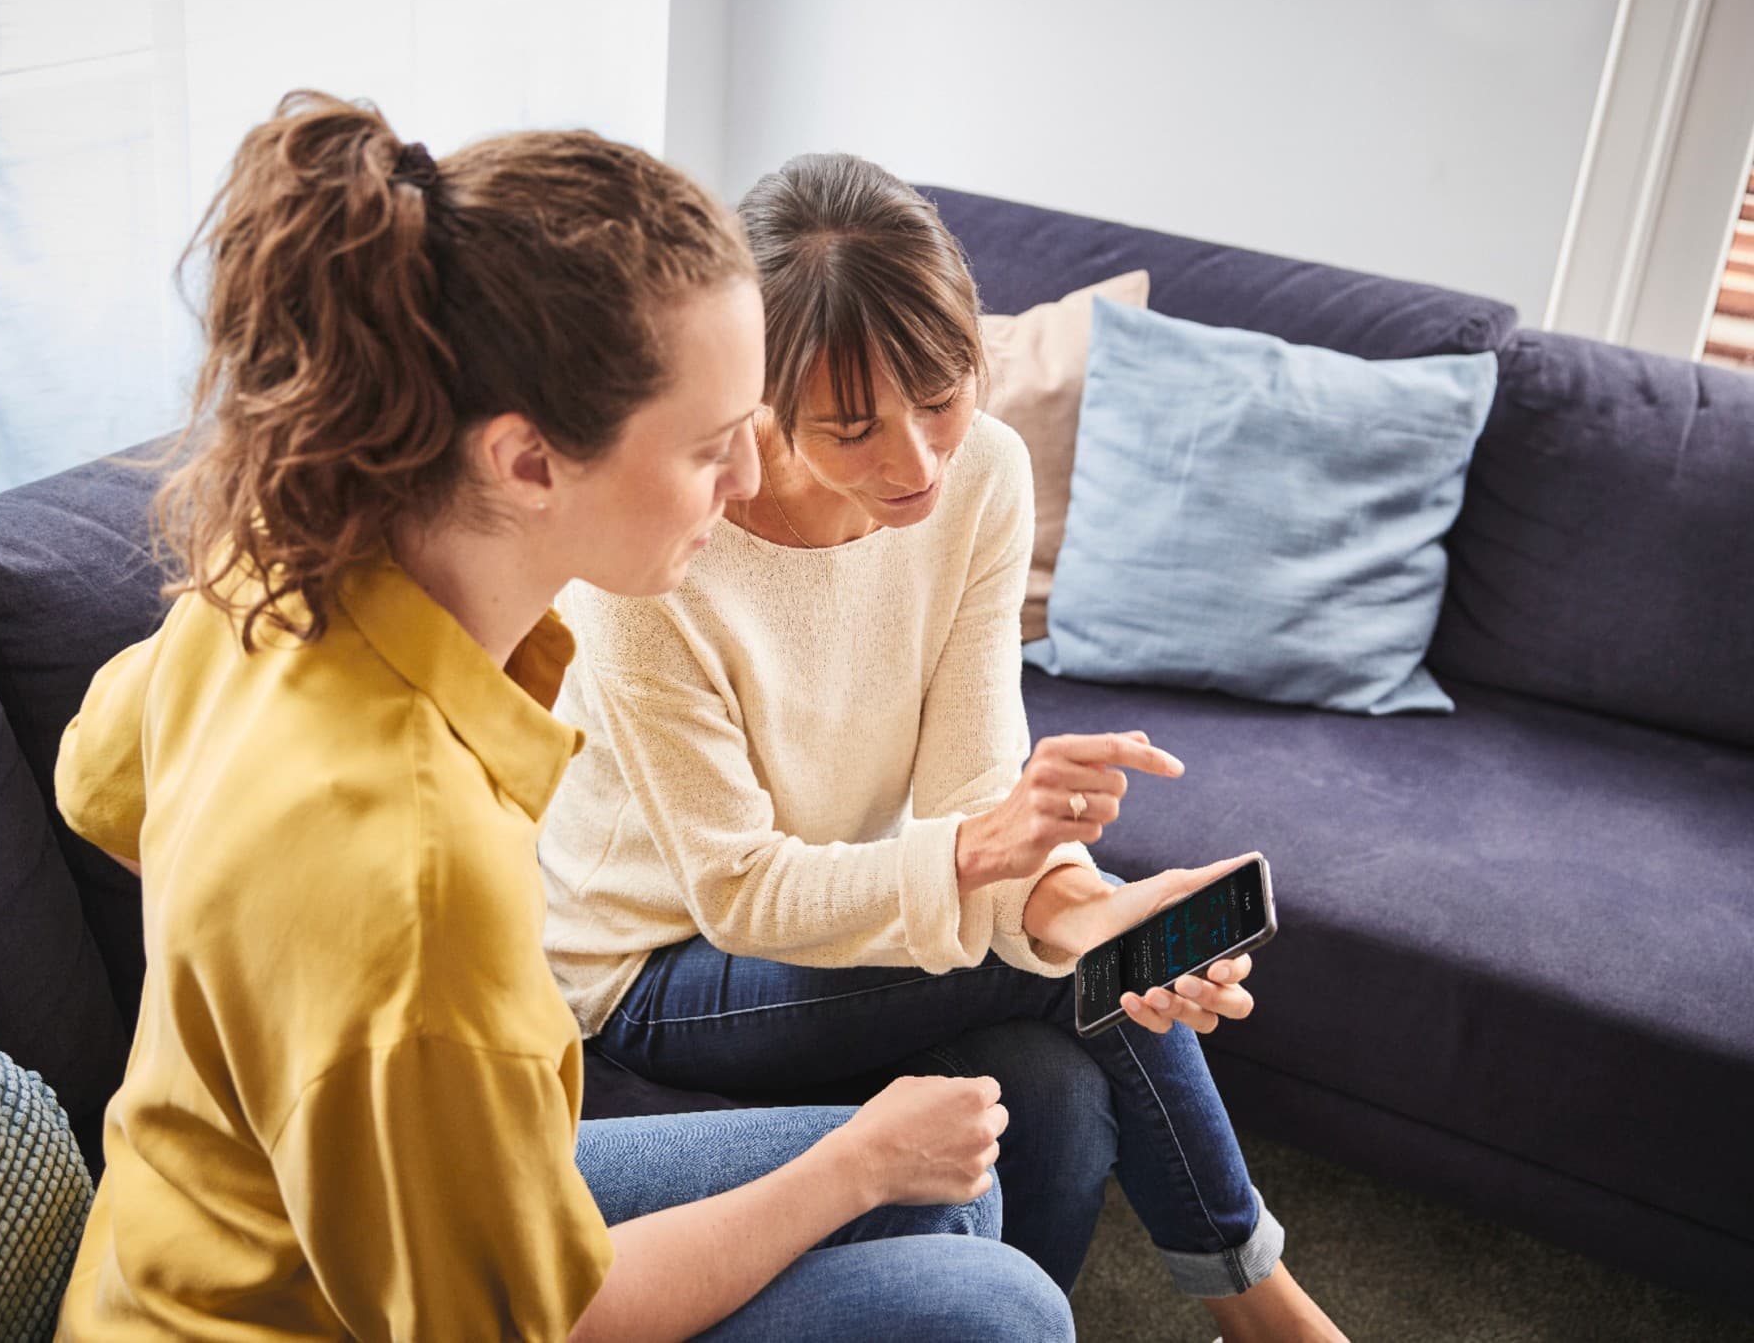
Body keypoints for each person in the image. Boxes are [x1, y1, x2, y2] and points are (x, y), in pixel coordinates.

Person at [53, 96, 1074, 1342]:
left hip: (244, 1211)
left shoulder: (277, 570)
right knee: (990, 1303)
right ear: (528, 463)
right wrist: (853, 1167)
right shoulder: (420, 880)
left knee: (965, 1201)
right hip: (287, 1315)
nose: (755, 479)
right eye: (710, 450)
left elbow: (99, 789)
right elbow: (530, 1327)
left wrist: (303, 1077)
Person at [540, 152, 1349, 1343]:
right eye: (854, 426)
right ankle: (1260, 1301)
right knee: (1072, 979)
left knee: (1061, 1096)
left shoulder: (985, 473)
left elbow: (975, 788)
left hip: (859, 914)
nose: (916, 463)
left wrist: (1086, 911)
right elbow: (740, 891)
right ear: (762, 399)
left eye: (942, 397)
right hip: (657, 962)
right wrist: (1042, 892)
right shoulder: (661, 559)